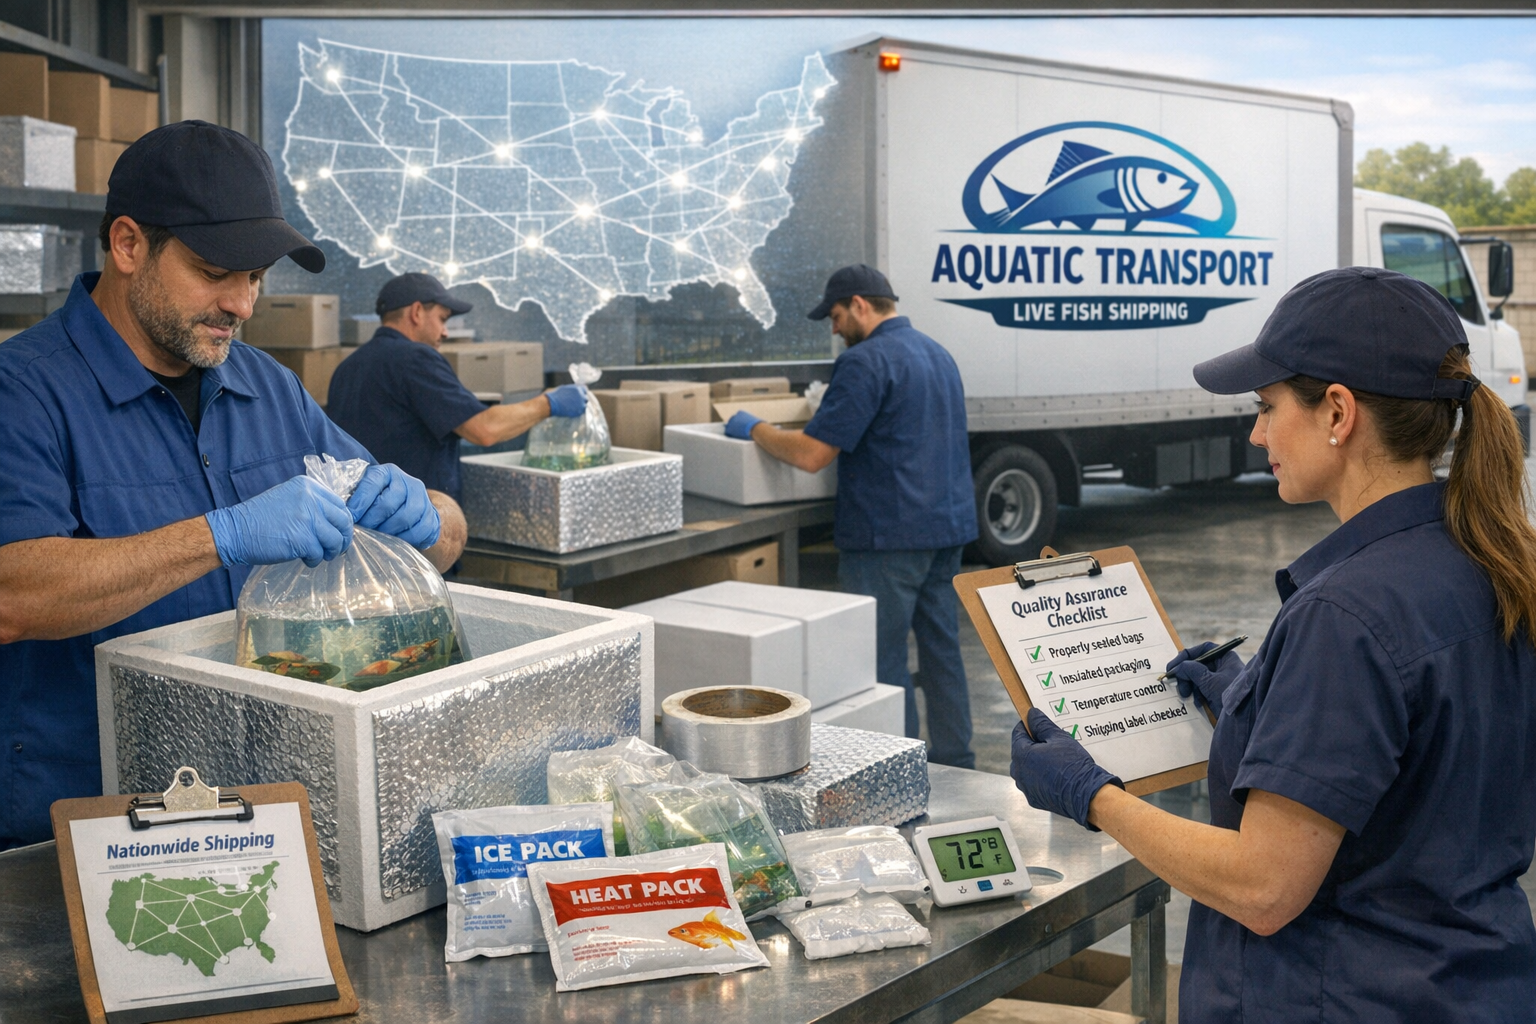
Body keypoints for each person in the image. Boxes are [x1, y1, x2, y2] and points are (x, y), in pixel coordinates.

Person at [1010, 267, 1536, 1020]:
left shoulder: (1347, 613)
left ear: (1339, 413)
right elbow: (1421, 771)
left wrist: (1092, 795)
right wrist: (1260, 708)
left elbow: (1263, 888)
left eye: (1265, 407)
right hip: (1472, 985)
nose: (1256, 433)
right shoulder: (1488, 560)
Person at [0, 121, 465, 850]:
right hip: (83, 827)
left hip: (260, 810)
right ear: (128, 245)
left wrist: (430, 514)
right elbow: (12, 594)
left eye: (255, 277)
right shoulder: (23, 389)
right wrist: (222, 535)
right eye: (216, 271)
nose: (243, 304)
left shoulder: (267, 386)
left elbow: (442, 541)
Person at [724, 264, 979, 768]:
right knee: (942, 652)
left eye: (837, 316)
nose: (835, 328)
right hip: (946, 529)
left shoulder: (865, 362)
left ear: (861, 304)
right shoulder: (938, 353)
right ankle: (957, 763)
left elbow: (812, 455)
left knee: (882, 664)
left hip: (888, 537)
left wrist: (755, 428)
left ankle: (903, 766)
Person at [326, 273, 587, 503]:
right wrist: (550, 403)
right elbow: (484, 430)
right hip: (414, 527)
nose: (445, 332)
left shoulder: (347, 368)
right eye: (442, 319)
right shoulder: (415, 358)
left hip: (362, 522)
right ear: (416, 312)